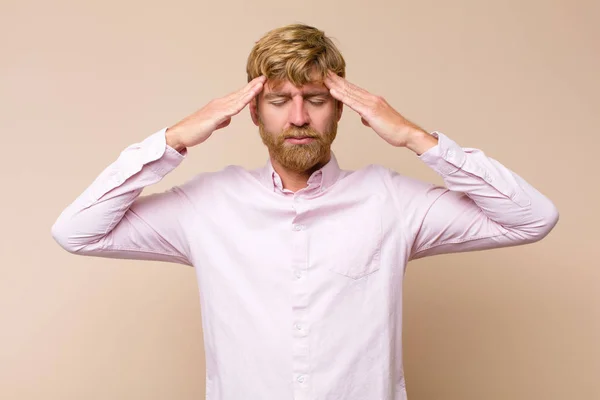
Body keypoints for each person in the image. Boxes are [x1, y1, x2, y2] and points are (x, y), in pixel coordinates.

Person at [51, 23, 559, 400]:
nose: (298, 118)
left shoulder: (393, 201)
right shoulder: (206, 206)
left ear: (341, 108)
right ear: (252, 111)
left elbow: (532, 217)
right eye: (279, 100)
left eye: (315, 98)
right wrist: (172, 140)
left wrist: (414, 138)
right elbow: (78, 232)